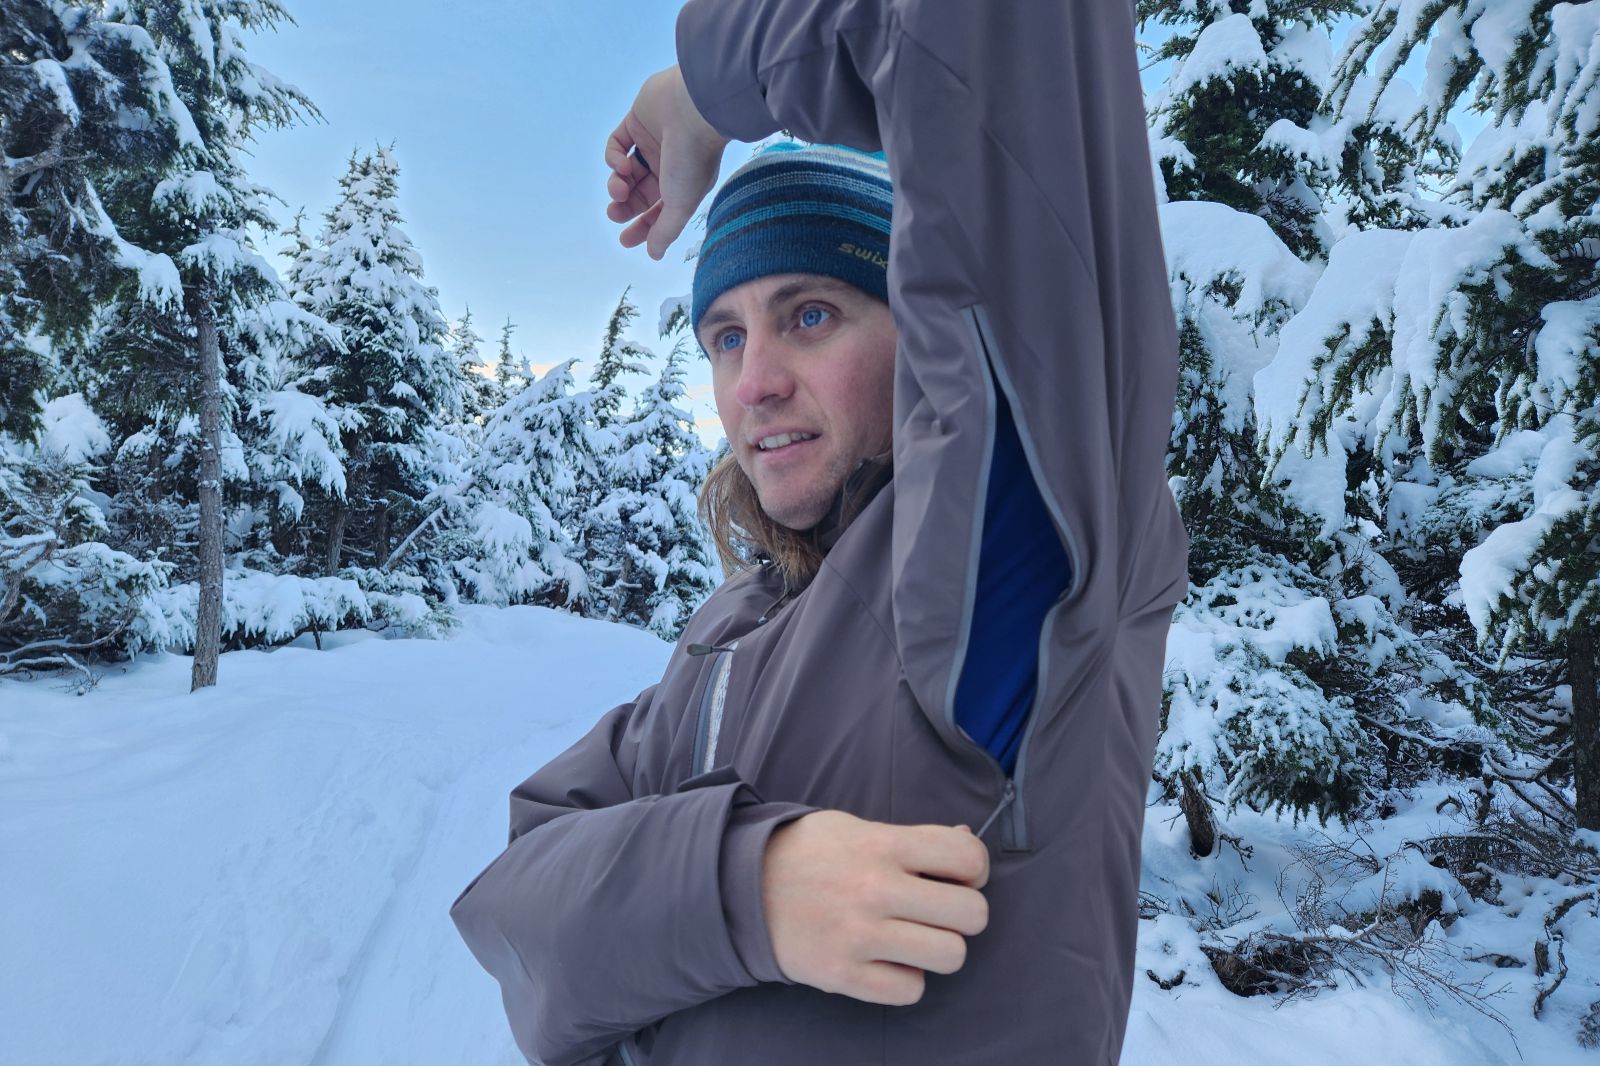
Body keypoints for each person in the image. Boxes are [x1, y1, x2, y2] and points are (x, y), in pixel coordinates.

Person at [450, 3, 1190, 1064]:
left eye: (810, 316)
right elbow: (516, 903)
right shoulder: (727, 630)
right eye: (725, 336)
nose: (753, 382)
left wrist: (707, 91)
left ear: (926, 339)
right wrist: (745, 885)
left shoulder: (1000, 573)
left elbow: (990, 37)